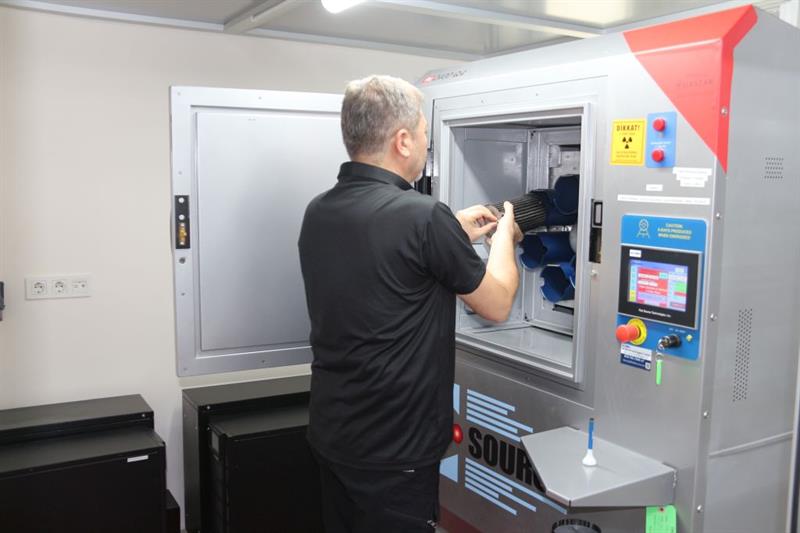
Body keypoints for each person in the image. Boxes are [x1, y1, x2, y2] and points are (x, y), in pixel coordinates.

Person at [298, 75, 520, 532]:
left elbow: (389, 260)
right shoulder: (422, 217)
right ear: (402, 141)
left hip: (334, 434)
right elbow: (497, 304)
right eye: (423, 134)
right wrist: (505, 237)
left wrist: (449, 231)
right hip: (395, 450)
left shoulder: (319, 209)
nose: (425, 144)